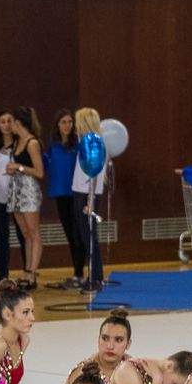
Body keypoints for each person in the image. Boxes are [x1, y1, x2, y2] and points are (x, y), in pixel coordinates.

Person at [63, 309, 161, 384]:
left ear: (128, 344)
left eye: (118, 340)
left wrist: (157, 381)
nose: (110, 346)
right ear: (98, 339)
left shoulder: (137, 369)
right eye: (105, 338)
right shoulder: (81, 373)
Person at [4, 107, 46, 284]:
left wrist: (19, 167)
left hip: (28, 190)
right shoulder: (16, 142)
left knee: (34, 232)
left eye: (12, 122)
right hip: (16, 190)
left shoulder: (32, 143)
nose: (10, 125)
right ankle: (27, 270)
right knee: (25, 233)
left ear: (19, 123)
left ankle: (32, 273)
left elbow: (40, 172)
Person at [0, 110, 25, 285]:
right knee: (2, 236)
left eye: (10, 120)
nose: (6, 124)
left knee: (23, 234)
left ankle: (28, 273)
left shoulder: (21, 145)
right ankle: (3, 274)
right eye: (3, 121)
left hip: (18, 198)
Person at [46, 110, 84, 287]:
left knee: (78, 233)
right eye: (63, 122)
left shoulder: (77, 145)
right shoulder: (53, 146)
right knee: (70, 233)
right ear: (57, 125)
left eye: (70, 122)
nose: (67, 125)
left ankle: (80, 272)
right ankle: (77, 272)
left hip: (76, 193)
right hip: (61, 194)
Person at [68, 106, 105, 289]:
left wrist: (90, 201)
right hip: (81, 192)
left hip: (86, 195)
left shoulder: (92, 143)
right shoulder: (85, 141)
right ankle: (95, 275)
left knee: (89, 236)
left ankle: (96, 277)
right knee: (85, 236)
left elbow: (94, 173)